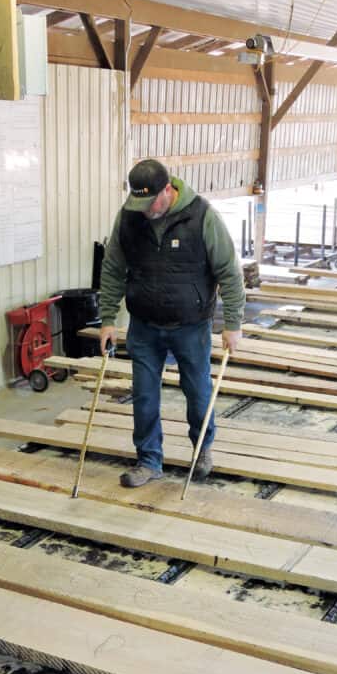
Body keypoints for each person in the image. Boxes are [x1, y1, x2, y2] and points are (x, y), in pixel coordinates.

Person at [98, 159, 244, 488]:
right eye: (139, 203)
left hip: (191, 325)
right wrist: (108, 319)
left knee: (198, 392)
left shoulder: (202, 216)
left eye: (152, 202)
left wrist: (232, 323)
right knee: (145, 396)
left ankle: (202, 449)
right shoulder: (129, 217)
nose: (146, 210)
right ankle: (149, 460)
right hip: (145, 325)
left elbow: (230, 274)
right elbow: (112, 269)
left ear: (169, 189)